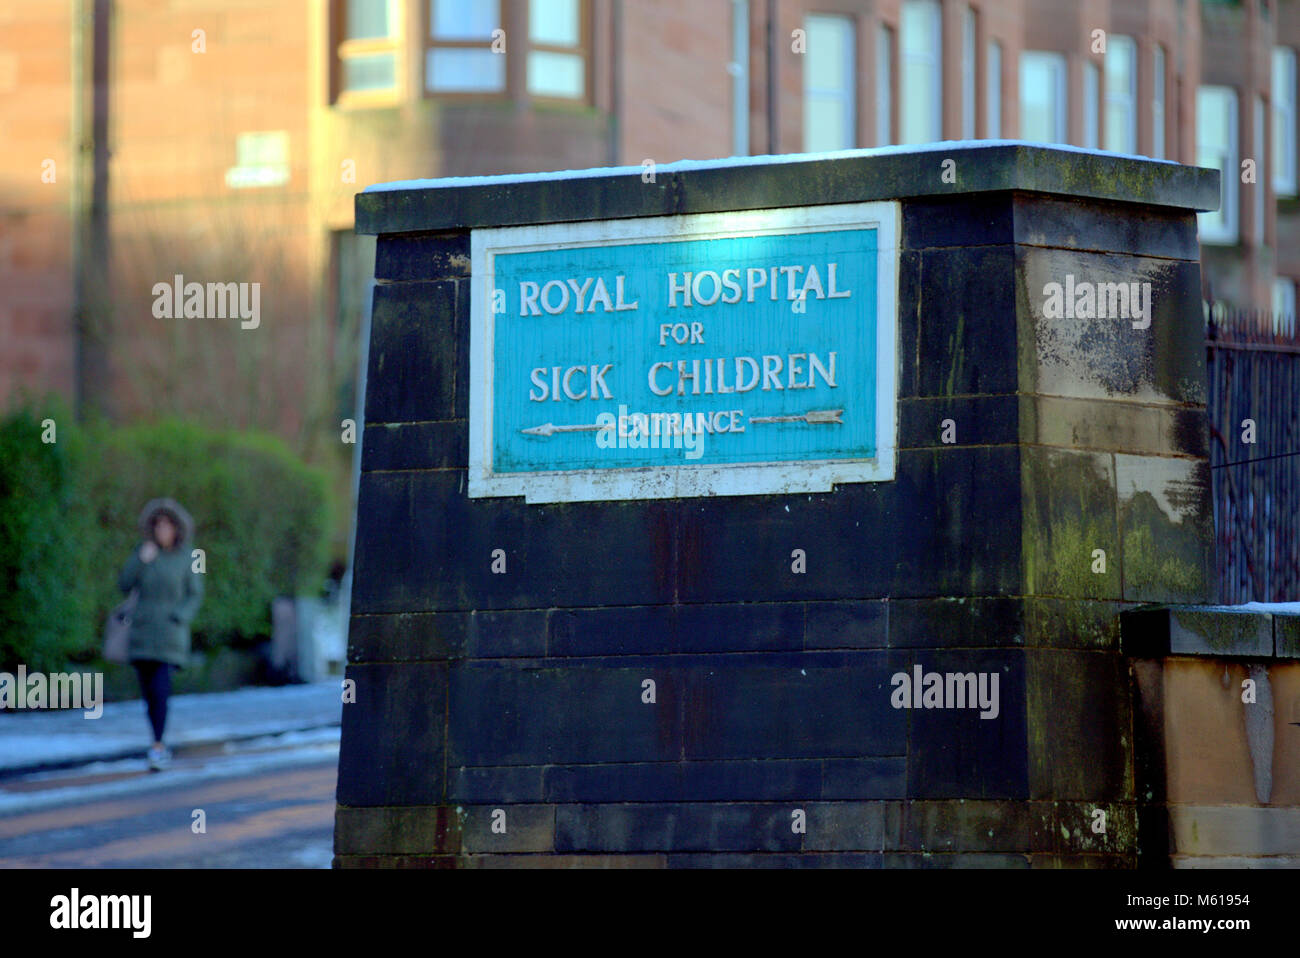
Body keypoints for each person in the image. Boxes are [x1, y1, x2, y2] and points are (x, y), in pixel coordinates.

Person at [117, 498, 203, 771]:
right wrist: (141, 560)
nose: (163, 531)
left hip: (170, 636)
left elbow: (195, 593)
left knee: (161, 689)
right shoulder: (143, 552)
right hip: (142, 633)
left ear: (177, 529)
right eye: (158, 525)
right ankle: (156, 739)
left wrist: (179, 617)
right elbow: (124, 584)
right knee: (147, 694)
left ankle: (158, 744)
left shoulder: (190, 556)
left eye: (168, 526)